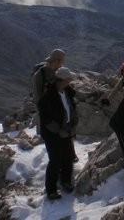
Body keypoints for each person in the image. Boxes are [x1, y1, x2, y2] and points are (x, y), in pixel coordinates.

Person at [38, 66, 79, 200]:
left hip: (66, 130)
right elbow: (46, 119)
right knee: (55, 160)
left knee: (67, 157)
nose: (70, 81)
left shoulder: (67, 92)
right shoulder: (47, 97)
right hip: (52, 134)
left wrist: (73, 125)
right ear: (62, 80)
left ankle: (66, 180)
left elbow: (72, 110)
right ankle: (51, 190)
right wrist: (58, 131)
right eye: (68, 79)